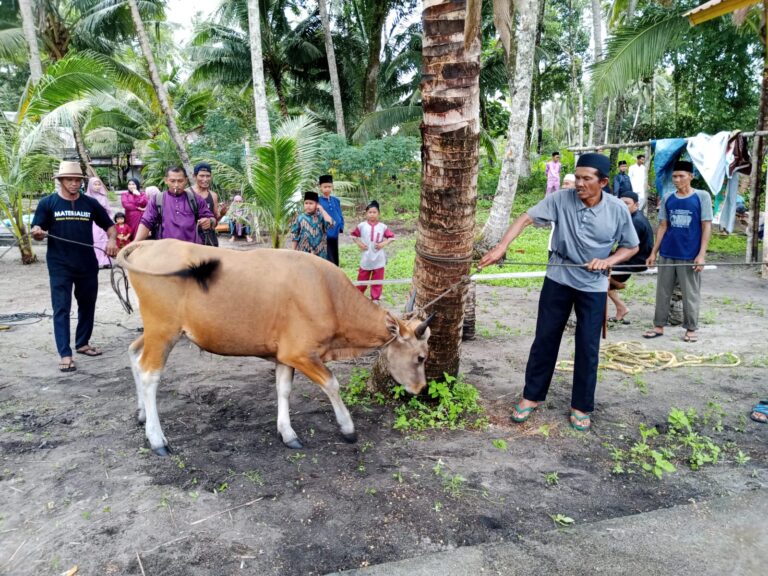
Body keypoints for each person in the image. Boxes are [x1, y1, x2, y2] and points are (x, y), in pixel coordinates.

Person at [478, 153, 639, 432]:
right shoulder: (560, 199)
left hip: (593, 285)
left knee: (588, 346)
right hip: (558, 277)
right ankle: (531, 396)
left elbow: (631, 246)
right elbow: (525, 218)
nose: (579, 184)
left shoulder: (617, 209)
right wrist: (502, 246)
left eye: (586, 179)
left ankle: (581, 406)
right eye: (577, 178)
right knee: (545, 338)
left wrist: (609, 261)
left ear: (602, 182)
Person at [30, 160, 117, 372]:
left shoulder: (90, 203)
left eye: (77, 180)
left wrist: (112, 240)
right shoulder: (48, 203)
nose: (74, 183)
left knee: (87, 304)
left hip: (87, 263)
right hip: (60, 264)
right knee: (61, 307)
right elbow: (37, 228)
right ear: (60, 181)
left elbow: (110, 226)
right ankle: (65, 353)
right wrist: (37, 232)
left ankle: (82, 343)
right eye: (69, 179)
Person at [644, 160, 713, 343]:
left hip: (689, 254)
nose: (677, 179)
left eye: (681, 176)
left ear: (691, 176)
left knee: (690, 293)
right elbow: (663, 226)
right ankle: (658, 325)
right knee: (663, 292)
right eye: (674, 176)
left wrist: (701, 254)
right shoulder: (668, 198)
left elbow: (706, 225)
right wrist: (654, 252)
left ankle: (691, 328)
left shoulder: (702, 196)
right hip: (667, 252)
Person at [133, 166, 216, 244]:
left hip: (190, 250)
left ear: (186, 180)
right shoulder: (157, 200)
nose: (176, 185)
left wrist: (210, 221)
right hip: (166, 249)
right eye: (172, 181)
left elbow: (212, 219)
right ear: (166, 180)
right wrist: (135, 243)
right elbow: (146, 222)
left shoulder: (195, 199)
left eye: (180, 181)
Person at [607, 191, 654, 324]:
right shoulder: (632, 217)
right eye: (620, 203)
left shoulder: (636, 222)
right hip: (634, 257)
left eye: (626, 204)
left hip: (636, 261)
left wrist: (611, 256)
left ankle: (617, 288)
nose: (623, 206)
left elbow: (628, 249)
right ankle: (621, 306)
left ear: (636, 205)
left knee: (599, 276)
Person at [351, 200, 395, 303]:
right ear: (366, 214)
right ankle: (358, 296)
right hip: (366, 256)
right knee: (362, 278)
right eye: (370, 212)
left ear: (378, 213)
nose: (372, 214)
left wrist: (383, 243)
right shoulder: (362, 226)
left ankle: (375, 298)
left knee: (377, 279)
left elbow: (391, 237)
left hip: (378, 257)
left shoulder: (382, 227)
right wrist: (359, 244)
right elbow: (353, 235)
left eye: (374, 212)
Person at [291, 191, 335, 257]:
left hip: (320, 253)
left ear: (317, 204)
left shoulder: (321, 217)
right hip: (303, 252)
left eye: (311, 203)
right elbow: (295, 236)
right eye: (306, 203)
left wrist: (322, 210)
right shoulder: (300, 218)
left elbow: (331, 224)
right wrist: (293, 252)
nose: (308, 206)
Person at [191, 162, 226, 247]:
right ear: (194, 176)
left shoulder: (213, 195)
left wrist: (221, 214)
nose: (205, 179)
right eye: (202, 176)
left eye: (208, 176)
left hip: (209, 239)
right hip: (192, 239)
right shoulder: (187, 194)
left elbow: (215, 222)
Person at [85, 177, 113, 268]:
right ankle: (95, 261)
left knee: (105, 240)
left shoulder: (103, 197)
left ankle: (106, 261)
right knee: (95, 241)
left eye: (99, 184)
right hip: (92, 223)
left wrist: (109, 221)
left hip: (103, 223)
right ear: (90, 185)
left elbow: (109, 211)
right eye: (95, 184)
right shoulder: (86, 198)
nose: (97, 186)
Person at [317, 174, 344, 265]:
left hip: (335, 230)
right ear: (320, 187)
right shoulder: (318, 201)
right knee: (326, 253)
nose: (327, 189)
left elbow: (340, 214)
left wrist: (340, 226)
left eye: (329, 187)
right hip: (324, 231)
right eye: (325, 187)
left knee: (334, 251)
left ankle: (335, 268)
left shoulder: (336, 200)